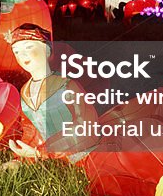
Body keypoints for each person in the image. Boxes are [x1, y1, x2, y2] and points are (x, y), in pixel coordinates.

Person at [6, 23, 96, 163]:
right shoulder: (25, 91)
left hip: (80, 156)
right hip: (49, 158)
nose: (22, 55)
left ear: (47, 51)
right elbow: (31, 130)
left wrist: (42, 151)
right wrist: (21, 158)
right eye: (16, 51)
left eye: (29, 47)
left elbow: (86, 127)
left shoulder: (67, 86)